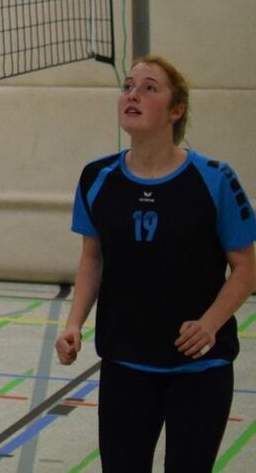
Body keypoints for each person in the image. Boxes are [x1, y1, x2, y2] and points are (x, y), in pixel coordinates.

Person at [56, 56, 254, 472]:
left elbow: (247, 268)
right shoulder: (97, 177)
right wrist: (73, 323)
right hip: (125, 362)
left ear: (176, 110)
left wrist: (210, 324)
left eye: (149, 88)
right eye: (128, 86)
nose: (133, 94)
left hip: (200, 366)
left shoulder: (215, 179)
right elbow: (93, 261)